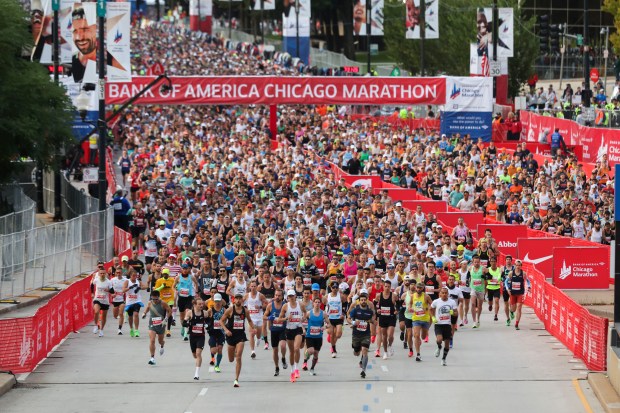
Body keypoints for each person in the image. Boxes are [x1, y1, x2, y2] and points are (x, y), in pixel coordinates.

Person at [220, 292, 256, 387]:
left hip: (240, 335)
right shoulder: (230, 310)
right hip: (231, 335)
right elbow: (221, 321)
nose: (238, 300)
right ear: (234, 300)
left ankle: (236, 379)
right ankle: (233, 350)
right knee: (231, 359)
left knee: (239, 356)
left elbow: (249, 320)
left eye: (240, 298)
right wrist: (226, 330)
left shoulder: (245, 311)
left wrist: (253, 328)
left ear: (242, 300)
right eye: (237, 298)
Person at [278, 289, 307, 382]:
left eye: (292, 296)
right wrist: (287, 318)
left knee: (296, 348)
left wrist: (303, 318)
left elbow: (305, 312)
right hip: (289, 330)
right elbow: (279, 319)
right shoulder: (285, 306)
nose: (291, 298)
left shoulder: (300, 304)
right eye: (289, 296)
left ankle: (297, 368)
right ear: (288, 297)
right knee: (291, 352)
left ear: (295, 296)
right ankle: (292, 371)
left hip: (298, 328)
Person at [347, 289, 376, 378]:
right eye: (362, 300)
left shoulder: (369, 311)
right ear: (359, 301)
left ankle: (363, 370)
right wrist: (353, 323)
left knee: (365, 351)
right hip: (356, 334)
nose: (363, 301)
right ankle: (357, 349)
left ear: (367, 301)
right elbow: (348, 319)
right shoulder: (355, 310)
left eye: (365, 300)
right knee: (356, 353)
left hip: (366, 334)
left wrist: (371, 321)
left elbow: (374, 321)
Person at [142, 290, 172, 365]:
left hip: (161, 324)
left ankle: (162, 345)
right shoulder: (150, 302)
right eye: (153, 299)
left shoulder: (163, 303)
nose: (154, 301)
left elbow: (169, 311)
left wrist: (166, 319)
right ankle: (152, 358)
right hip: (152, 324)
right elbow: (147, 308)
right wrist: (144, 313)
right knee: (152, 340)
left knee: (160, 340)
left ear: (159, 297)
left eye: (156, 299)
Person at [431, 287, 458, 366]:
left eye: (446, 293)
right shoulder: (436, 301)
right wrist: (433, 317)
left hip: (447, 324)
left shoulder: (452, 302)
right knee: (439, 339)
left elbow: (456, 313)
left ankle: (443, 359)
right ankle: (439, 347)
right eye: (442, 293)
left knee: (447, 344)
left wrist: (452, 312)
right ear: (440, 294)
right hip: (438, 324)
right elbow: (430, 309)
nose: (444, 294)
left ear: (448, 294)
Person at [264, 289, 288, 376]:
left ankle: (283, 358)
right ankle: (277, 367)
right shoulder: (270, 306)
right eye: (276, 295)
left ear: (282, 296)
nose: (277, 297)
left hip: (282, 329)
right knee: (275, 350)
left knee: (282, 345)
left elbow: (289, 316)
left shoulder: (285, 305)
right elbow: (264, 316)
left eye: (279, 295)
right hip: (273, 330)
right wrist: (269, 318)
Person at [183, 297, 208, 380]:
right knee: (195, 355)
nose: (201, 305)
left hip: (201, 336)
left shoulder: (204, 313)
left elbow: (210, 320)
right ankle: (198, 362)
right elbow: (184, 323)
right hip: (193, 337)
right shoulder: (190, 313)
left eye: (202, 304)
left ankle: (196, 373)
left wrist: (208, 325)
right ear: (194, 304)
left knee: (198, 354)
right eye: (199, 304)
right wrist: (188, 323)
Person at [71, 7, 97, 83]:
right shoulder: (70, 61)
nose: (80, 37)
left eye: (85, 30)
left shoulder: (104, 60)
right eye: (75, 31)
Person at [407, 282, 432, 361]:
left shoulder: (426, 296)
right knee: (416, 335)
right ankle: (418, 354)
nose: (418, 289)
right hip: (416, 318)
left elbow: (432, 305)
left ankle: (420, 340)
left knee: (423, 336)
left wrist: (427, 309)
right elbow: (410, 304)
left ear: (422, 288)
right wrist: (410, 308)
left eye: (420, 288)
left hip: (425, 319)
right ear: (415, 288)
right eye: (417, 288)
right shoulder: (412, 296)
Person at [304, 297, 330, 375]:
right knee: (311, 351)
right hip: (309, 336)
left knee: (315, 354)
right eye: (316, 302)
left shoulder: (323, 313)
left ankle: (312, 368)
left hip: (318, 337)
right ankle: (306, 357)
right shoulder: (309, 313)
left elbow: (329, 324)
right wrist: (302, 329)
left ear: (320, 304)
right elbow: (301, 321)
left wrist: (324, 327)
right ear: (313, 303)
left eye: (319, 302)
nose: (317, 304)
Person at [244, 280, 267, 359]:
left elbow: (266, 304)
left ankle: (258, 339)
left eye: (254, 286)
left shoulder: (260, 295)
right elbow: (241, 302)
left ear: (257, 287)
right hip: (251, 317)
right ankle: (252, 351)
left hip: (259, 317)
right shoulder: (247, 295)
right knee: (252, 333)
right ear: (250, 287)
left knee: (258, 334)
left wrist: (260, 307)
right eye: (252, 286)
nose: (253, 288)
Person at [174, 264, 198, 341]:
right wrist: (175, 290)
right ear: (182, 269)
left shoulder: (191, 277)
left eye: (186, 269)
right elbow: (173, 286)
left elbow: (196, 283)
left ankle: (185, 334)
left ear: (188, 269)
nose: (184, 270)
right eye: (183, 269)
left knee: (187, 312)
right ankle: (183, 327)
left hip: (189, 297)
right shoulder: (178, 277)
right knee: (181, 317)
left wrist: (196, 291)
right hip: (181, 298)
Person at [376, 279, 398, 359]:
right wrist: (377, 310)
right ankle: (385, 352)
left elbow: (398, 303)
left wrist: (396, 310)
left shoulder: (393, 295)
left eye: (389, 287)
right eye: (386, 286)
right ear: (383, 287)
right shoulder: (379, 295)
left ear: (390, 287)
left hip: (391, 317)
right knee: (384, 336)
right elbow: (375, 304)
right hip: (382, 317)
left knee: (390, 335)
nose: (387, 288)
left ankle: (390, 345)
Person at [506, 259, 529, 330]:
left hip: (520, 293)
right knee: (513, 309)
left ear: (521, 266)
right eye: (516, 265)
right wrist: (507, 289)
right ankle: (511, 312)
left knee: (519, 307)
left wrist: (529, 286)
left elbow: (528, 281)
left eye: (519, 265)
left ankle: (516, 323)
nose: (518, 267)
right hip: (513, 293)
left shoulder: (523, 273)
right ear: (515, 266)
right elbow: (506, 282)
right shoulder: (511, 273)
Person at [324, 280, 345, 358]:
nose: (335, 289)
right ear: (330, 288)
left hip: (338, 317)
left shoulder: (341, 296)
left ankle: (333, 343)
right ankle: (333, 348)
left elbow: (345, 305)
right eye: (333, 287)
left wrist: (343, 314)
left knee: (338, 334)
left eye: (336, 287)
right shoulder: (327, 296)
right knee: (331, 333)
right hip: (330, 318)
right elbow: (323, 306)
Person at [206, 293, 226, 373]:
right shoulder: (210, 310)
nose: (217, 303)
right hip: (212, 332)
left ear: (221, 301)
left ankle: (217, 365)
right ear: (213, 301)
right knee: (214, 350)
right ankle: (213, 357)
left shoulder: (224, 310)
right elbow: (205, 318)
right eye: (216, 301)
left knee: (220, 349)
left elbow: (229, 317)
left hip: (221, 332)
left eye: (219, 301)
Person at [154, 268, 176, 337]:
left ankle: (168, 330)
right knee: (163, 314)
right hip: (162, 299)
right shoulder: (159, 280)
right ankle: (162, 329)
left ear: (168, 274)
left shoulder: (172, 280)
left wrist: (176, 288)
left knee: (169, 312)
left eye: (166, 274)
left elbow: (175, 286)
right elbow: (156, 290)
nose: (165, 275)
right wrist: (162, 286)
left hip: (170, 299)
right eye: (164, 274)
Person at [91, 268, 112, 337]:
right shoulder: (96, 280)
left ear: (105, 274)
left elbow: (112, 291)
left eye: (104, 273)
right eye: (101, 273)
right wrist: (92, 293)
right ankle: (96, 325)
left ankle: (101, 330)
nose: (102, 274)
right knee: (96, 311)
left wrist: (108, 290)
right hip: (97, 299)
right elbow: (91, 284)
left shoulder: (108, 282)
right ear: (99, 274)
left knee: (104, 316)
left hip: (105, 301)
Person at [124, 271, 144, 338]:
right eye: (133, 275)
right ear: (130, 275)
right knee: (130, 316)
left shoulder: (138, 282)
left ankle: (136, 330)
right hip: (129, 302)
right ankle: (131, 329)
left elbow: (145, 286)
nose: (135, 277)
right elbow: (123, 290)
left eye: (136, 276)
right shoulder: (127, 281)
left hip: (137, 301)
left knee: (136, 314)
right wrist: (130, 287)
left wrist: (140, 288)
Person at [110, 265, 128, 335]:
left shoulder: (125, 280)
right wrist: (112, 294)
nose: (118, 274)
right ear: (115, 273)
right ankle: (120, 317)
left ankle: (119, 329)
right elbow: (110, 289)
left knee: (121, 313)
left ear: (122, 272)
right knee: (115, 315)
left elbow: (129, 287)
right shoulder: (112, 280)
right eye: (117, 272)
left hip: (122, 299)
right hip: (115, 299)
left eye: (119, 272)